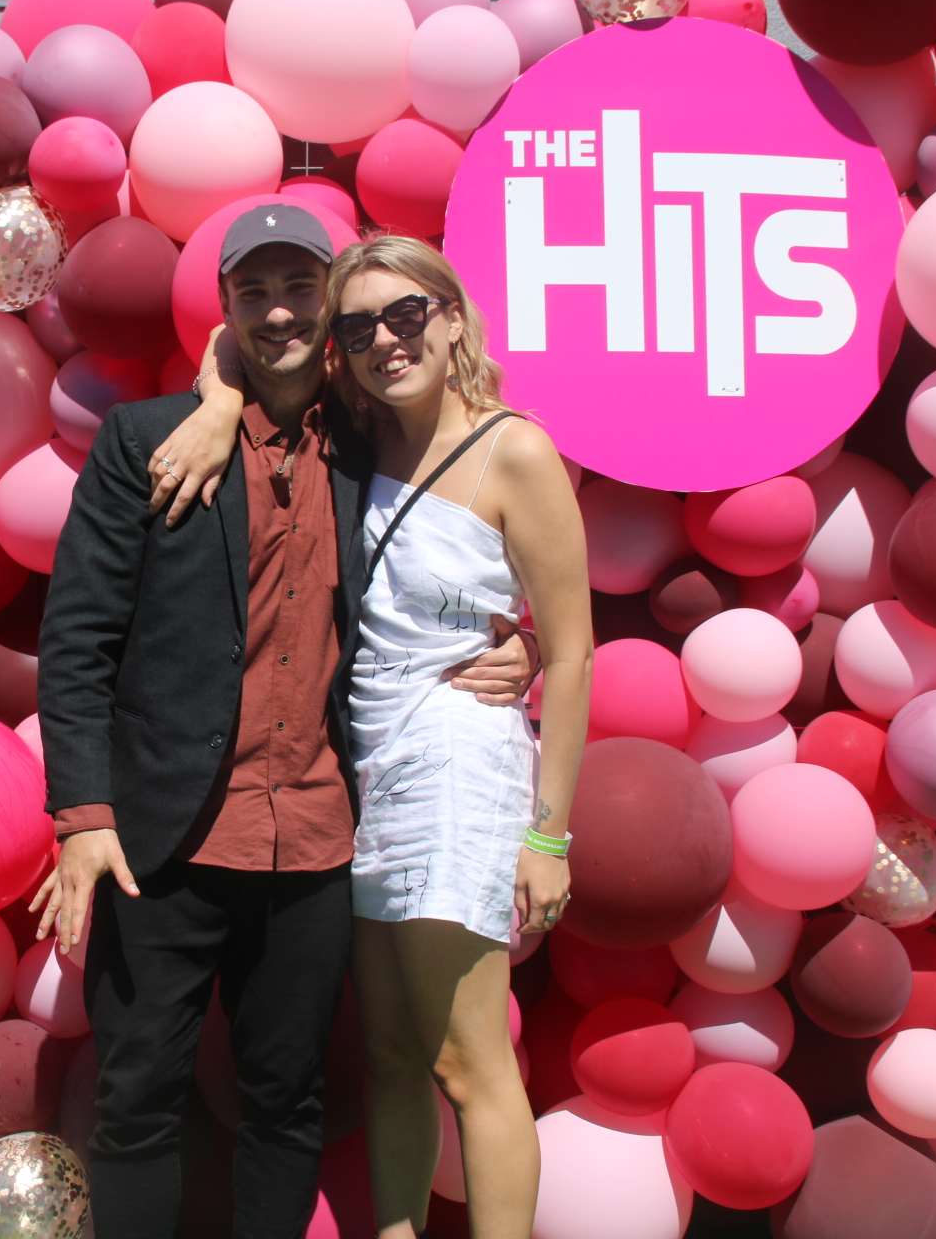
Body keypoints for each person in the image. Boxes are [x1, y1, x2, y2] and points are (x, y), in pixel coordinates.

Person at [33, 204, 537, 1239]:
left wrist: (516, 644)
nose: (278, 312)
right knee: (136, 1105)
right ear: (225, 309)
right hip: (162, 842)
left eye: (300, 287)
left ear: (328, 303)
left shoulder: (372, 445)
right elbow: (77, 639)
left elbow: (446, 573)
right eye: (253, 291)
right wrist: (84, 814)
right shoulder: (147, 442)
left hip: (314, 845)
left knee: (287, 1104)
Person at [152, 234, 593, 1239]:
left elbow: (572, 654)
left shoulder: (515, 450)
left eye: (406, 314)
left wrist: (549, 834)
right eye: (359, 327)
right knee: (391, 1056)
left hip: (457, 763)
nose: (386, 340)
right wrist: (217, 406)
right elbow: (235, 342)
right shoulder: (355, 433)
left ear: (451, 317)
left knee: (468, 1062)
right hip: (367, 767)